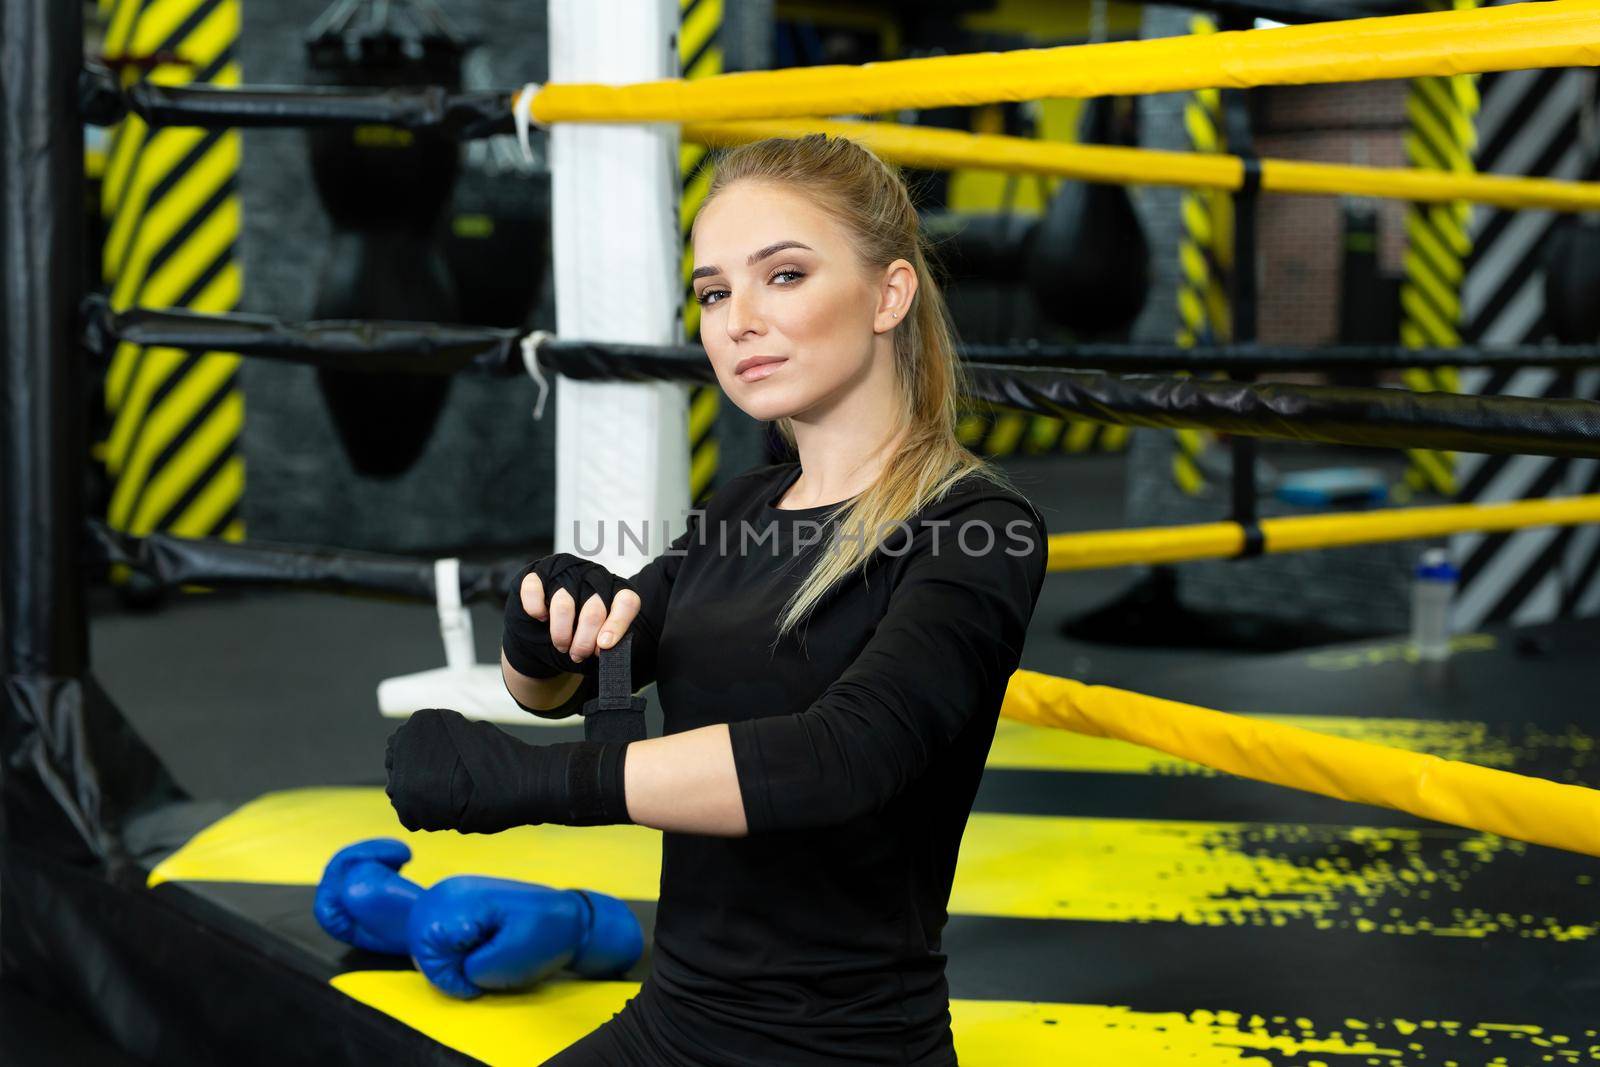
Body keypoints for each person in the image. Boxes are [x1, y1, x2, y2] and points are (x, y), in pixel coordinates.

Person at [384, 133, 1049, 1066]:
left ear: (889, 294)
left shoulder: (977, 528)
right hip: (674, 1023)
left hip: (842, 1048)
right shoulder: (740, 508)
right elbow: (575, 682)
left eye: (783, 275)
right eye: (713, 292)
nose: (737, 320)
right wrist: (543, 630)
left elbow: (840, 758)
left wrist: (531, 782)